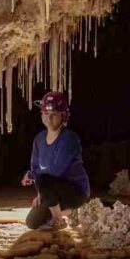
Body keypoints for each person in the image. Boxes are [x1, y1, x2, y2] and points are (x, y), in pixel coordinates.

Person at [21, 91, 90, 230]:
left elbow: (55, 170)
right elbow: (35, 167)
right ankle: (70, 213)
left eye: (54, 115)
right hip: (53, 191)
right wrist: (41, 194)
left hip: (76, 191)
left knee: (43, 177)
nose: (49, 118)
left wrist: (32, 176)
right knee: (32, 222)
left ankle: (58, 220)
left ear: (63, 116)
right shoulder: (39, 139)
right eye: (46, 114)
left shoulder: (69, 138)